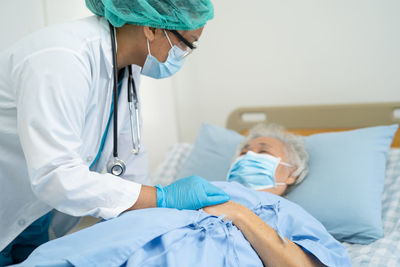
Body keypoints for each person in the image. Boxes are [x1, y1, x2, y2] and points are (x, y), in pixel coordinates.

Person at [0, 0, 230, 265]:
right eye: (186, 44)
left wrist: (155, 207)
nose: (183, 55)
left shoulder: (127, 68)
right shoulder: (62, 57)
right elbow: (56, 175)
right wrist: (162, 197)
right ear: (151, 28)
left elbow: (129, 160)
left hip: (35, 217)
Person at [14, 124, 351, 267]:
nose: (248, 155)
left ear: (292, 172)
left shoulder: (289, 214)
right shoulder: (185, 192)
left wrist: (240, 213)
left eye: (262, 150)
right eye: (243, 151)